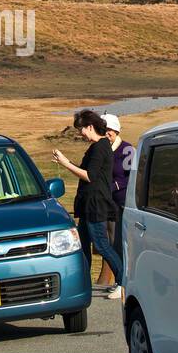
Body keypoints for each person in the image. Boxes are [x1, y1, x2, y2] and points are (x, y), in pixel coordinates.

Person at [53, 109, 123, 299]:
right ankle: (83, 283)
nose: (80, 133)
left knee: (101, 244)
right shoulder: (96, 147)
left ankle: (123, 281)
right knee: (83, 245)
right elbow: (87, 170)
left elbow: (89, 175)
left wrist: (66, 163)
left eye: (81, 129)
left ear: (90, 126)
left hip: (96, 204)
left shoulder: (101, 146)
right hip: (87, 204)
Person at [103, 113, 135, 284]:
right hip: (109, 204)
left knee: (122, 242)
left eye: (110, 130)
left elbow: (130, 177)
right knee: (112, 243)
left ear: (116, 130)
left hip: (124, 203)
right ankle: (120, 281)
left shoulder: (127, 149)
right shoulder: (103, 149)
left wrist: (112, 186)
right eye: (104, 130)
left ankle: (123, 282)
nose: (107, 133)